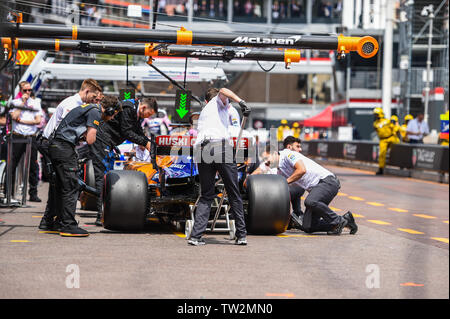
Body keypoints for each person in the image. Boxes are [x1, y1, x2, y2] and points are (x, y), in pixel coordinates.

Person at [47, 95, 121, 237]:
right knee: (71, 186)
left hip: (57, 146)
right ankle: (68, 225)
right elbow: (91, 139)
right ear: (110, 110)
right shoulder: (95, 112)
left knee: (61, 186)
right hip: (64, 148)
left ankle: (57, 222)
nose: (112, 118)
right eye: (114, 115)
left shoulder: (88, 108)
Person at [38, 79, 102, 231]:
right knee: (64, 185)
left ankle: (50, 221)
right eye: (93, 97)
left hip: (52, 144)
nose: (95, 101)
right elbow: (65, 129)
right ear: (86, 91)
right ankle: (62, 222)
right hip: (51, 143)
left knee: (58, 185)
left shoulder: (79, 105)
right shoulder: (72, 104)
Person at [189, 87, 250, 246]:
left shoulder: (205, 112)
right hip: (220, 147)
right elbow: (223, 90)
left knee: (206, 194)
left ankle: (196, 236)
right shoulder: (220, 103)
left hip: (202, 150)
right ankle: (242, 235)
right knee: (233, 192)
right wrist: (241, 102)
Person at [89, 97, 157, 226]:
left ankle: (104, 213)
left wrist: (150, 143)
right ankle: (101, 215)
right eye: (149, 114)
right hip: (101, 139)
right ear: (143, 108)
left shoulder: (136, 114)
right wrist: (145, 143)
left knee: (106, 177)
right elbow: (127, 132)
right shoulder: (128, 108)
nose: (148, 117)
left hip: (108, 142)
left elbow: (137, 132)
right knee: (102, 178)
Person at [276, 136, 357, 235]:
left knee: (310, 201)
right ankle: (346, 220)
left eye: (299, 146)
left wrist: (285, 182)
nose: (300, 149)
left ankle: (338, 221)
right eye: (298, 146)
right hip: (319, 187)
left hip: (327, 182)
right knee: (308, 226)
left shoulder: (287, 154)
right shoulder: (280, 168)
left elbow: (301, 170)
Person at [9, 81, 42, 202]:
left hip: (31, 136)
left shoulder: (35, 102)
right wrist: (23, 102)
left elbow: (37, 120)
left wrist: (22, 121)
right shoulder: (15, 102)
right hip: (18, 136)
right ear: (20, 91)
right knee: (12, 164)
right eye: (25, 90)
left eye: (29, 90)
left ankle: (33, 193)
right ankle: (10, 192)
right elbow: (13, 116)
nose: (28, 93)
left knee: (33, 165)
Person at [372, 107, 398, 175]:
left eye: (376, 114)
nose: (375, 116)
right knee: (382, 154)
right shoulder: (375, 123)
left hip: (391, 137)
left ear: (380, 114)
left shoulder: (387, 120)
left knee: (398, 148)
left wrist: (395, 131)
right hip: (383, 140)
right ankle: (381, 169)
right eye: (375, 114)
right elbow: (377, 131)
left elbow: (394, 127)